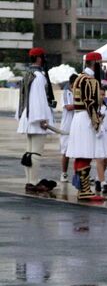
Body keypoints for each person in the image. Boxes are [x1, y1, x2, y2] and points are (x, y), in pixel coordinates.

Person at [16, 47, 56, 193]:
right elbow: (38, 99)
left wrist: (21, 116)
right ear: (39, 58)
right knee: (36, 153)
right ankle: (33, 182)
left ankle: (29, 181)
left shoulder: (27, 74)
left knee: (29, 152)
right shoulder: (38, 76)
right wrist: (42, 119)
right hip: (36, 117)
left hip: (28, 116)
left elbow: (23, 98)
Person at [66, 52, 105, 201]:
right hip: (86, 119)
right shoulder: (90, 81)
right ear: (95, 63)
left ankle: (83, 188)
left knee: (81, 153)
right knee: (86, 154)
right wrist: (96, 122)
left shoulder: (78, 78)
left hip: (78, 117)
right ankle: (85, 190)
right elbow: (90, 103)